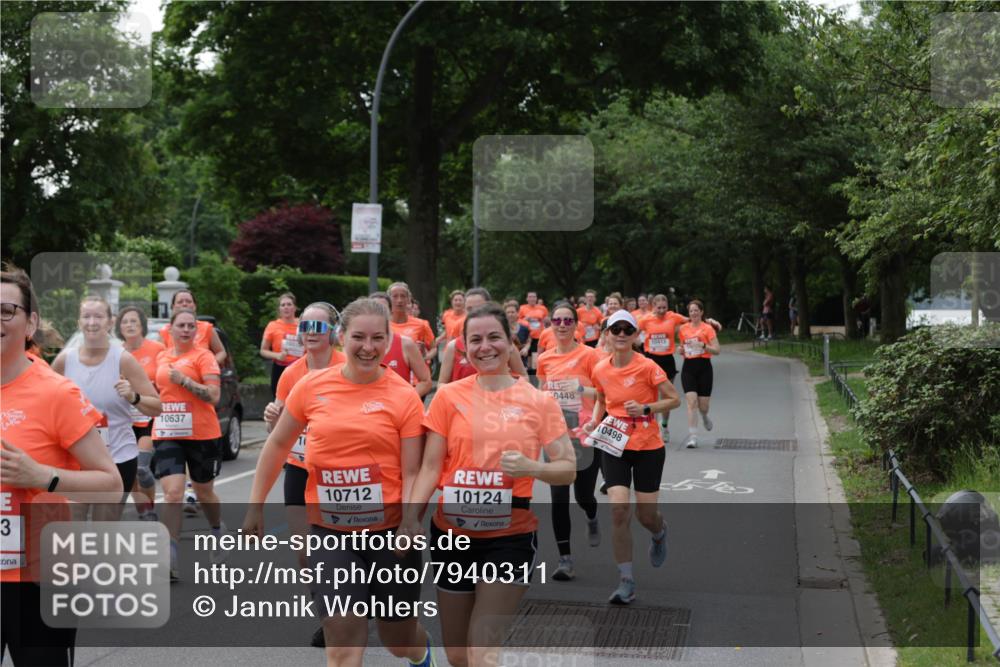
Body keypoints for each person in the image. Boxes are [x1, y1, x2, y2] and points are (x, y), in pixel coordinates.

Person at [244, 298, 435, 667]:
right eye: (358, 337)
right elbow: (278, 445)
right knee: (342, 635)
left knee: (398, 640)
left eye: (378, 338)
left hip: (390, 534)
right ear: (341, 337)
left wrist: (411, 520)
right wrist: (255, 506)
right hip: (330, 533)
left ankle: (421, 653)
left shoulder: (404, 397)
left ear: (388, 340)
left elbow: (412, 471)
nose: (368, 347)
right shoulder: (311, 386)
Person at [399, 302, 576, 667]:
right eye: (475, 340)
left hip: (509, 537)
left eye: (494, 337)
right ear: (464, 347)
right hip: (452, 536)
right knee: (457, 655)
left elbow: (567, 469)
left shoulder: (538, 401)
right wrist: (410, 518)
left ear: (511, 343)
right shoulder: (448, 396)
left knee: (482, 652)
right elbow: (431, 467)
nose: (485, 347)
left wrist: (532, 467)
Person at [1, 265, 121, 667]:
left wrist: (41, 476)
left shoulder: (57, 394)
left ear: (31, 323)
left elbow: (111, 484)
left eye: (6, 310)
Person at [582, 310, 680, 604]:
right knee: (618, 510)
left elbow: (674, 399)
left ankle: (659, 532)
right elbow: (602, 398)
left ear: (636, 335)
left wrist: (648, 408)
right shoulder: (601, 368)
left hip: (648, 446)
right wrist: (595, 420)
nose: (622, 334)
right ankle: (626, 580)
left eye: (628, 329)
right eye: (616, 329)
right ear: (607, 335)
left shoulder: (647, 366)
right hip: (615, 444)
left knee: (645, 515)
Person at [262, 301, 345, 648]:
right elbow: (279, 434)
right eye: (305, 327)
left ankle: (350, 606)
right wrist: (272, 421)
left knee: (347, 549)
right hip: (299, 468)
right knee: (305, 553)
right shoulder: (290, 374)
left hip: (341, 473)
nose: (310, 333)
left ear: (333, 332)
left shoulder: (347, 367)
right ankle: (328, 617)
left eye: (318, 326)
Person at [51, 297, 161, 522]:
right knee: (72, 525)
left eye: (98, 316)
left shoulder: (123, 360)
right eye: (86, 316)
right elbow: (45, 404)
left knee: (103, 528)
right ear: (79, 322)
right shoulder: (64, 361)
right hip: (77, 460)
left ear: (110, 322)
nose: (92, 322)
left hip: (118, 458)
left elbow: (156, 407)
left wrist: (133, 396)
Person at [152, 308, 225, 579]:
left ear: (196, 330)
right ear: (170, 329)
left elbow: (214, 396)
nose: (186, 330)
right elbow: (156, 390)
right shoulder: (161, 357)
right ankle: (169, 556)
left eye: (190, 326)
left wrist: (183, 380)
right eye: (181, 325)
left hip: (202, 434)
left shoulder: (204, 357)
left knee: (204, 493)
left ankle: (217, 529)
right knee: (173, 494)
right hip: (167, 431)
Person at [537, 302, 602, 581]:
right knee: (559, 498)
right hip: (556, 437)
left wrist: (579, 388)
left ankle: (591, 515)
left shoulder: (590, 355)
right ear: (551, 324)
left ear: (576, 325)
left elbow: (604, 393)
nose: (562, 325)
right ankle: (565, 559)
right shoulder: (545, 359)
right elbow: (542, 393)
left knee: (583, 496)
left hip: (585, 435)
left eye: (567, 321)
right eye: (557, 320)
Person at [638, 294, 722, 439]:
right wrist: (638, 347)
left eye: (664, 307)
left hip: (667, 360)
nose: (662, 310)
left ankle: (664, 425)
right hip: (651, 359)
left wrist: (711, 322)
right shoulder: (645, 320)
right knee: (649, 395)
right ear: (653, 307)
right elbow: (633, 333)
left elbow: (693, 319)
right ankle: (651, 428)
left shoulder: (673, 317)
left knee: (665, 396)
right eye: (659, 308)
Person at [116, 306, 165, 521]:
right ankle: (144, 512)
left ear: (142, 325)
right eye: (125, 322)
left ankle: (149, 507)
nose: (129, 325)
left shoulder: (157, 349)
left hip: (149, 416)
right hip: (125, 419)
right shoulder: (116, 353)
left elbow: (166, 377)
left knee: (142, 468)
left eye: (134, 321)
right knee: (132, 472)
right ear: (119, 327)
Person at [439, 288, 526, 384]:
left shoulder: (505, 345)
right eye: (469, 309)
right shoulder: (453, 346)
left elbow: (523, 378)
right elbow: (442, 383)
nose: (474, 312)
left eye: (479, 308)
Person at [370, 292, 433, 398]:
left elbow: (426, 381)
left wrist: (405, 400)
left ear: (391, 311)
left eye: (383, 310)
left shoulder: (405, 343)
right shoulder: (358, 345)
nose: (378, 314)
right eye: (373, 309)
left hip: (398, 405)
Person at [678, 299, 721, 449]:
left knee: (703, 406)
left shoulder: (707, 328)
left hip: (704, 367)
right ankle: (693, 437)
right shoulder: (683, 329)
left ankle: (704, 416)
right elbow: (683, 347)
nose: (694, 313)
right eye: (691, 311)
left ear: (701, 312)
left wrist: (703, 345)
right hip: (688, 367)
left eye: (696, 310)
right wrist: (680, 350)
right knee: (691, 403)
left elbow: (717, 350)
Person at [158, 289, 227, 365]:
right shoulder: (165, 331)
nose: (184, 304)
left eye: (188, 301)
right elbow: (158, 356)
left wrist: (209, 364)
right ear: (173, 306)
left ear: (195, 306)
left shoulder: (207, 328)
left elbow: (221, 352)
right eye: (180, 302)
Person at [260, 292, 302, 398]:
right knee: (279, 399)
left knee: (299, 398)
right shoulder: (273, 325)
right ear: (279, 309)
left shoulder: (302, 325)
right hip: (280, 367)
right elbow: (263, 350)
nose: (286, 307)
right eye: (283, 305)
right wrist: (277, 355)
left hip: (300, 367)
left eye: (289, 304)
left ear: (295, 308)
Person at [388, 282, 436, 365]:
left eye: (403, 296)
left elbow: (434, 348)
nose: (399, 300)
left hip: (414, 372)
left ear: (408, 299)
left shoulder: (421, 324)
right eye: (395, 296)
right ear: (389, 299)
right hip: (389, 370)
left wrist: (424, 358)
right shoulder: (382, 324)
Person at [518, 291, 549, 373]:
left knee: (535, 357)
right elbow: (517, 321)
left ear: (536, 298)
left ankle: (534, 375)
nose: (532, 298)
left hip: (538, 336)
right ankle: (526, 373)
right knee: (525, 356)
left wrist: (544, 320)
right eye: (530, 297)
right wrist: (525, 319)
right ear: (527, 298)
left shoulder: (542, 308)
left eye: (534, 297)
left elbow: (547, 321)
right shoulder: (522, 308)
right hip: (526, 337)